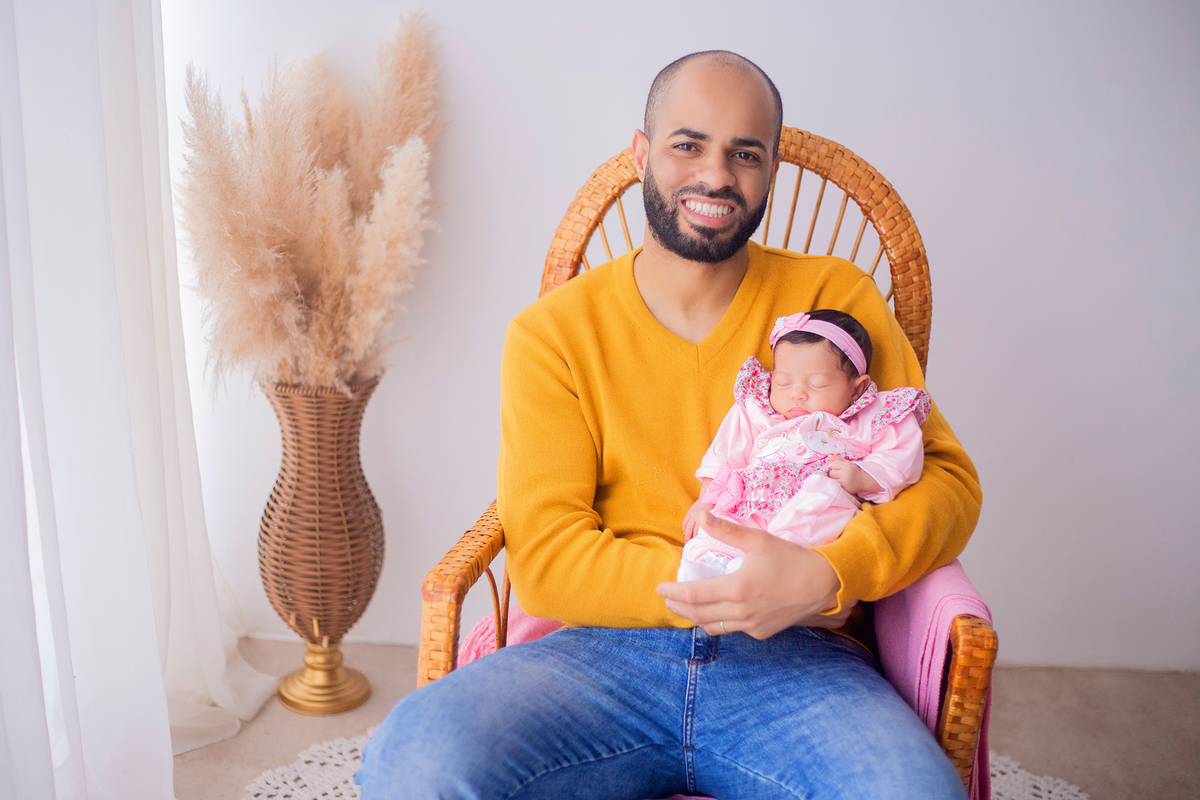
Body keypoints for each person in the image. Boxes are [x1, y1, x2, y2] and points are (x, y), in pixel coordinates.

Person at [357, 49, 980, 799]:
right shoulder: (552, 334)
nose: (716, 176)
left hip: (801, 662)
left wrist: (824, 575)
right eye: (689, 145)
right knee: (412, 760)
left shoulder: (831, 296)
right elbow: (549, 559)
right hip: (601, 658)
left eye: (744, 154)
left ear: (770, 171)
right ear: (642, 155)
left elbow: (947, 483)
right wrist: (724, 584)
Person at [679, 308, 931, 581]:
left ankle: (773, 568)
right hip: (755, 498)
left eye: (817, 383)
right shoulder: (758, 410)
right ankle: (709, 566)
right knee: (720, 520)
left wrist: (863, 477)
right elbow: (725, 454)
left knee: (823, 496)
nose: (797, 393)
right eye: (783, 381)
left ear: (856, 389)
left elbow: (901, 455)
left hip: (813, 510)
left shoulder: (871, 417)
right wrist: (706, 500)